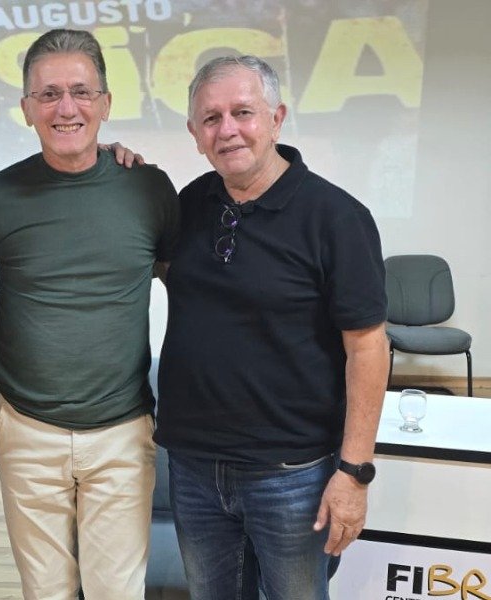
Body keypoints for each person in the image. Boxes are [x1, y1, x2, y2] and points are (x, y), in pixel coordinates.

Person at [155, 55, 389, 600]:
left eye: (243, 112)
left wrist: (354, 472)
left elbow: (368, 348)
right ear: (194, 133)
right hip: (193, 467)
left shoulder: (337, 217)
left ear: (277, 118)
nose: (227, 130)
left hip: (292, 475)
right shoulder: (190, 204)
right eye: (210, 118)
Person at [0, 28, 179, 600]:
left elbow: (194, 293)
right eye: (49, 94)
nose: (66, 108)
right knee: (46, 593)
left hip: (123, 432)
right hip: (26, 431)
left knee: (117, 593)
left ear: (105, 103)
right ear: (26, 108)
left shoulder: (149, 189)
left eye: (81, 92)